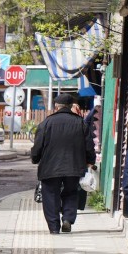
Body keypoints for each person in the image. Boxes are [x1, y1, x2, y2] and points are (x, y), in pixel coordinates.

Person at [30, 92, 93, 234]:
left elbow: (38, 146)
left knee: (50, 195)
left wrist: (35, 158)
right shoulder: (80, 123)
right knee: (71, 192)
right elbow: (88, 145)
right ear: (71, 106)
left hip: (50, 167)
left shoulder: (46, 123)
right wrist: (90, 161)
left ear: (56, 107)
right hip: (74, 166)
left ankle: (54, 227)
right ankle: (67, 219)